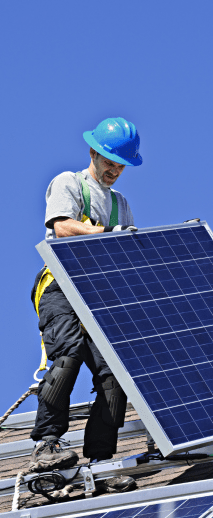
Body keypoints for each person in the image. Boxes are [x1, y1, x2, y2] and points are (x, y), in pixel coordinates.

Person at [29, 117, 142, 491]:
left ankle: (100, 461)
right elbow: (62, 227)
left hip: (100, 294)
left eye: (120, 164)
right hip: (61, 287)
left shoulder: (120, 204)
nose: (114, 170)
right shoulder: (69, 183)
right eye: (109, 160)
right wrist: (108, 233)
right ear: (93, 152)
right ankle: (47, 444)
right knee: (68, 352)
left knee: (114, 372)